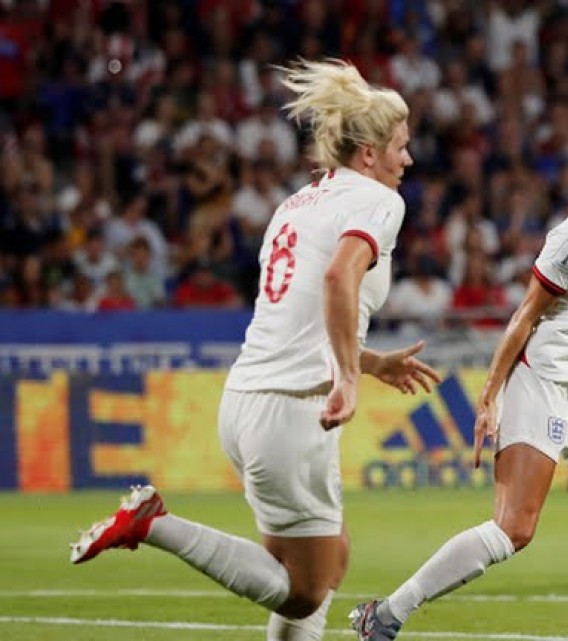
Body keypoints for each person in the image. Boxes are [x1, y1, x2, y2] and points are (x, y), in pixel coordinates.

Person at [69, 59, 442, 641]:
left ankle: (152, 522)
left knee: (327, 559)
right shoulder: (378, 200)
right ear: (367, 153)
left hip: (250, 402)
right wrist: (348, 375)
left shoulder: (295, 205)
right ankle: (154, 524)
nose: (408, 160)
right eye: (400, 146)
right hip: (292, 411)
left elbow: (300, 314)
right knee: (304, 591)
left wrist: (368, 363)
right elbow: (340, 279)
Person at [349, 100, 568, 641]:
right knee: (514, 529)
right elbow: (526, 314)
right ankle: (385, 615)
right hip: (543, 383)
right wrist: (490, 397)